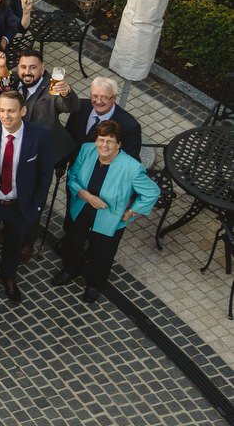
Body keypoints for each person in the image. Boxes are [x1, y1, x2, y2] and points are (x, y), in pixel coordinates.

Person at [52, 121, 161, 303]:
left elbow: (152, 192)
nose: (104, 145)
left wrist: (131, 212)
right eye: (101, 140)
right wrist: (86, 196)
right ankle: (70, 270)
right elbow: (72, 177)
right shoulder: (87, 150)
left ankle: (94, 284)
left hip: (110, 217)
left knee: (102, 253)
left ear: (118, 144)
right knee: (73, 241)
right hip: (82, 207)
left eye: (110, 141)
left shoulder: (132, 168)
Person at [0, 90, 51, 304]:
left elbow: (45, 174)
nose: (5, 116)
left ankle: (8, 276)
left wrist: (36, 206)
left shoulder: (39, 136)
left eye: (11, 111)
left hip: (20, 204)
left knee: (14, 244)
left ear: (23, 111)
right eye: (2, 110)